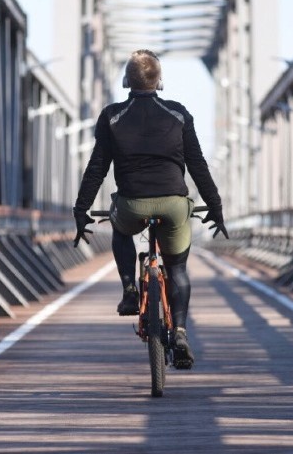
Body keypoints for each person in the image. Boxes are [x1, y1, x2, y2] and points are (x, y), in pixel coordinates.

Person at [71, 48, 228, 369]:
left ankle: (130, 288)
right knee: (178, 269)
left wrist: (81, 209)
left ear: (127, 80)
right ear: (160, 82)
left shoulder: (112, 115)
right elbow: (198, 166)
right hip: (173, 203)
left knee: (120, 230)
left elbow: (97, 168)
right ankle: (181, 331)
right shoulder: (179, 114)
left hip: (131, 204)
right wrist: (215, 207)